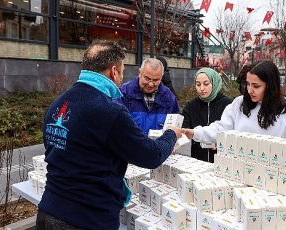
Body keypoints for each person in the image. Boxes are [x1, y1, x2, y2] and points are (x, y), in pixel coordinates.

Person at [36, 40, 182, 230]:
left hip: (47, 212)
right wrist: (171, 134)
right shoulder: (109, 110)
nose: (122, 77)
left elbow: (56, 150)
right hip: (87, 219)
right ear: (114, 71)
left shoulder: (58, 104)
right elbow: (151, 156)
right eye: (122, 71)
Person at [182, 60, 286, 143]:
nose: (250, 90)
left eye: (256, 86)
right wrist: (195, 133)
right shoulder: (239, 104)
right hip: (240, 173)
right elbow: (221, 129)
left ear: (270, 86)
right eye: (248, 84)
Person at [181, 68, 232, 163]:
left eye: (206, 84)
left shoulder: (228, 104)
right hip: (197, 161)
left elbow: (234, 131)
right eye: (198, 84)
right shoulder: (191, 106)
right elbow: (184, 128)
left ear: (214, 82)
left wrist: (223, 143)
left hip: (222, 162)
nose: (202, 88)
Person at [117, 58, 180, 134]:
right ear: (140, 73)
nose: (150, 84)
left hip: (159, 145)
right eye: (147, 78)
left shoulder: (169, 98)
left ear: (161, 77)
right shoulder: (123, 93)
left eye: (156, 80)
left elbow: (175, 130)